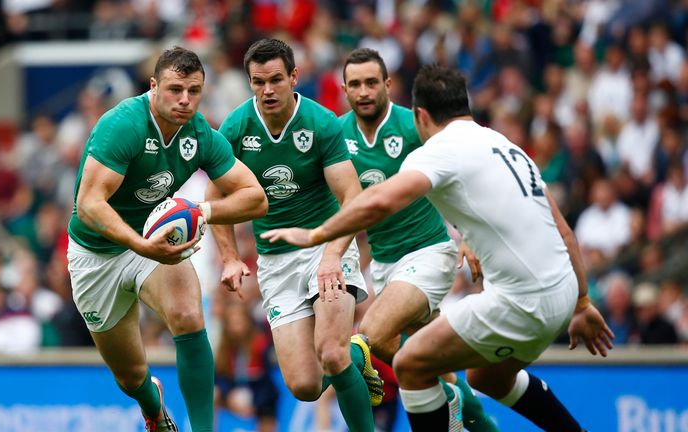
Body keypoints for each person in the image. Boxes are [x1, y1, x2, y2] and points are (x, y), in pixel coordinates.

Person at [262, 63, 614, 431]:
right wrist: (583, 303)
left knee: (411, 362)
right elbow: (562, 228)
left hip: (518, 299)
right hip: (563, 293)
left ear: (420, 115)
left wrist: (317, 236)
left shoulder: (437, 150)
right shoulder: (504, 145)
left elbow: (380, 201)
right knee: (485, 379)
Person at [67, 46, 267, 432]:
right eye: (176, 89)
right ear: (154, 86)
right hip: (97, 253)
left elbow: (255, 198)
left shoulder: (200, 133)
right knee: (130, 377)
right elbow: (89, 205)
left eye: (194, 91)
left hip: (152, 240)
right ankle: (152, 406)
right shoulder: (123, 124)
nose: (185, 100)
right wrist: (140, 245)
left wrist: (200, 211)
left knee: (189, 316)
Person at [206, 38, 379, 432]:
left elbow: (351, 196)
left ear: (294, 77)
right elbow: (214, 200)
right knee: (304, 385)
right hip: (275, 260)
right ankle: (358, 355)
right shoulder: (235, 127)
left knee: (331, 354)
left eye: (276, 80)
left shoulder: (321, 123)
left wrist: (333, 255)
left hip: (325, 247)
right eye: (258, 82)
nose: (267, 90)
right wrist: (232, 257)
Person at [339, 48, 498, 431]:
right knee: (433, 363)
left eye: (371, 83)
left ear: (388, 86)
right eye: (355, 84)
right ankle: (465, 406)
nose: (364, 91)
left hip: (429, 251)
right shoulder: (337, 134)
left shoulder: (413, 126)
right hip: (385, 263)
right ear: (344, 89)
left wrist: (468, 234)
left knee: (371, 334)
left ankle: (448, 399)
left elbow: (463, 172)